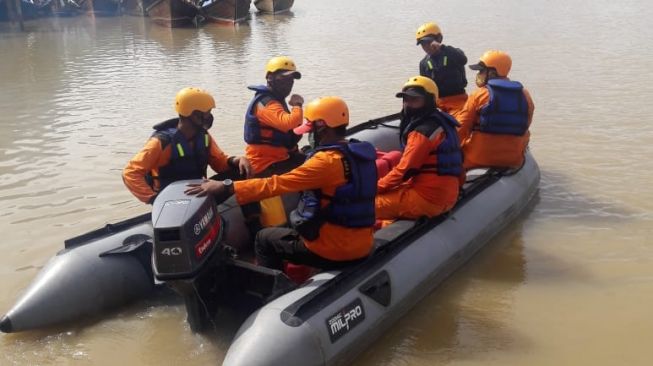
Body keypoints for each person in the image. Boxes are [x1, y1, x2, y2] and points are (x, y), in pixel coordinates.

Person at [185, 97, 377, 271]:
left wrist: (227, 186)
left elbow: (275, 185)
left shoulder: (324, 163)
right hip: (362, 243)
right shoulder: (359, 153)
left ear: (322, 128)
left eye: (311, 130)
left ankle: (274, 292)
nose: (310, 136)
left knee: (263, 239)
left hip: (334, 250)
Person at [122, 87, 251, 204]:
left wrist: (237, 160)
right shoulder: (161, 142)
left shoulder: (204, 136)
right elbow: (130, 173)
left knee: (241, 172)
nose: (210, 116)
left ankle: (252, 219)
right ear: (194, 115)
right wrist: (154, 199)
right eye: (207, 112)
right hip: (171, 199)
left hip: (197, 191)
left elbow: (219, 163)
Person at [376, 76, 462, 220]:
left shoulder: (421, 133)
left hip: (427, 199)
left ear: (429, 100)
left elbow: (404, 171)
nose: (409, 105)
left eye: (415, 100)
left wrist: (373, 189)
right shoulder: (445, 123)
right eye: (407, 100)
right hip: (446, 195)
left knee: (366, 206)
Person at [456, 50, 535, 170]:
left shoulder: (479, 95)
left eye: (481, 71)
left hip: (477, 158)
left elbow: (460, 129)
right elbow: (525, 125)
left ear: (492, 73)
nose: (479, 74)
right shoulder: (525, 95)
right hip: (513, 159)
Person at [244, 56, 306, 177]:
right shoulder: (265, 103)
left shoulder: (276, 100)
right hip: (265, 166)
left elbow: (291, 130)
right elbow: (287, 123)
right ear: (269, 77)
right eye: (283, 79)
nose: (287, 84)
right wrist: (297, 105)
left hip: (280, 159)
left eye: (290, 80)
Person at [416, 22, 469, 117]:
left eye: (428, 42)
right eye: (423, 44)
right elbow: (425, 88)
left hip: (458, 101)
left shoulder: (453, 52)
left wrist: (442, 47)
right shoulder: (423, 63)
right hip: (438, 104)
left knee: (459, 125)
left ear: (439, 38)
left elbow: (463, 60)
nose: (426, 47)